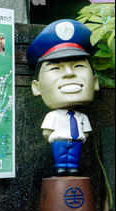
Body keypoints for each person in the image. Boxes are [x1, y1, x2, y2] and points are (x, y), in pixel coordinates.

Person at [27, 19, 99, 176]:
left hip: (76, 142)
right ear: (36, 87)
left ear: (95, 82)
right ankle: (60, 166)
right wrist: (53, 137)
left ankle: (72, 167)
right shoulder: (52, 116)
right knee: (60, 159)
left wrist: (81, 138)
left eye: (79, 66)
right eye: (55, 68)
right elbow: (47, 132)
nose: (69, 73)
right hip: (59, 142)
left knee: (73, 159)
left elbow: (86, 132)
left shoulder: (81, 116)